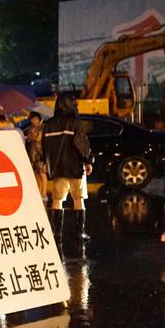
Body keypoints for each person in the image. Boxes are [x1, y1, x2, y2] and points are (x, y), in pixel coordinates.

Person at [42, 94, 93, 241]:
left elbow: (45, 147)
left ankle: (57, 233)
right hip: (75, 167)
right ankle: (80, 233)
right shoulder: (74, 122)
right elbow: (82, 145)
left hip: (57, 168)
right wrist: (88, 161)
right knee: (78, 199)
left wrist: (45, 163)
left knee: (57, 199)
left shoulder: (49, 124)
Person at [25, 111, 48, 203]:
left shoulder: (43, 128)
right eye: (32, 119)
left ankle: (44, 194)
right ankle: (38, 192)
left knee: (42, 173)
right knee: (36, 174)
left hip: (41, 154)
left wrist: (39, 131)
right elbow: (29, 139)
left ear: (39, 119)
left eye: (35, 119)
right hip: (33, 154)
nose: (33, 121)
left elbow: (38, 139)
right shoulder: (30, 129)